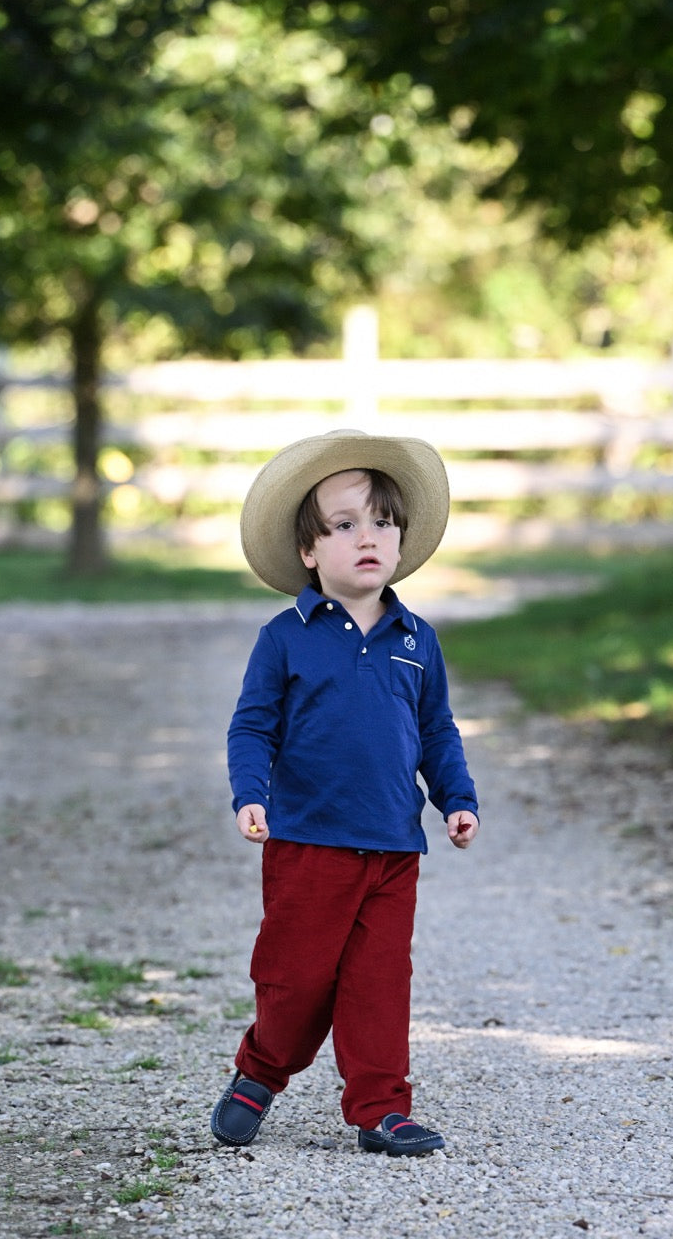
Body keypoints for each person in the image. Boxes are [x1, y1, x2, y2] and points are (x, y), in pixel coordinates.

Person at [210, 429, 479, 1157]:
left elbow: (436, 731)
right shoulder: (286, 638)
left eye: (383, 521)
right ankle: (259, 1070)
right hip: (307, 844)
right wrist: (249, 794)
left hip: (393, 846)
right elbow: (252, 728)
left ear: (400, 540)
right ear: (309, 551)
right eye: (344, 524)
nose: (369, 536)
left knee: (378, 984)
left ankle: (379, 1109)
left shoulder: (416, 638)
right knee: (296, 981)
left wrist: (456, 797)